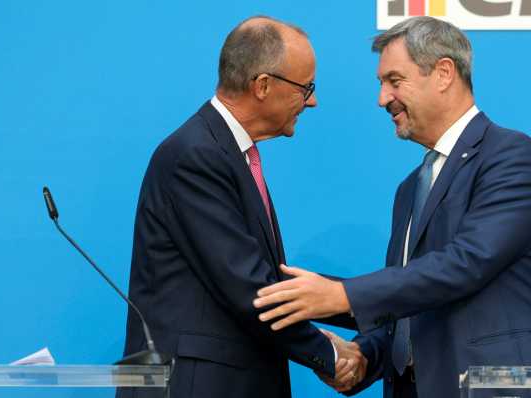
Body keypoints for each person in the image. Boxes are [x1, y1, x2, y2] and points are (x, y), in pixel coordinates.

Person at [254, 16, 531, 398]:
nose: (382, 98)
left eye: (394, 81)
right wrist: (363, 356)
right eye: (380, 84)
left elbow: (466, 263)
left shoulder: (509, 156)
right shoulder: (411, 188)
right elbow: (408, 308)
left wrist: (341, 295)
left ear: (443, 73)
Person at [119, 16, 363, 398]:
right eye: (306, 87)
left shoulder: (226, 153)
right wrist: (330, 354)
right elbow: (250, 288)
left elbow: (263, 279)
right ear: (263, 85)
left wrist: (367, 306)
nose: (312, 101)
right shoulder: (196, 156)